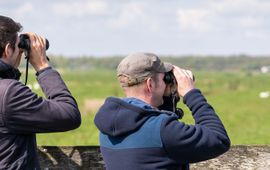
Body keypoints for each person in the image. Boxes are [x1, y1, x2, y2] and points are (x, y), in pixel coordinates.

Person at [94, 52, 230, 170]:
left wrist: (165, 97)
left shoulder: (107, 126)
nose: (167, 82)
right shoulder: (163, 130)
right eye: (164, 78)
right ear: (150, 84)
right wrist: (191, 93)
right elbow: (218, 139)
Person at [0, 15, 81, 169]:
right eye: (18, 45)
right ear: (7, 50)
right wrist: (42, 66)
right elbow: (69, 115)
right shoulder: (8, 93)